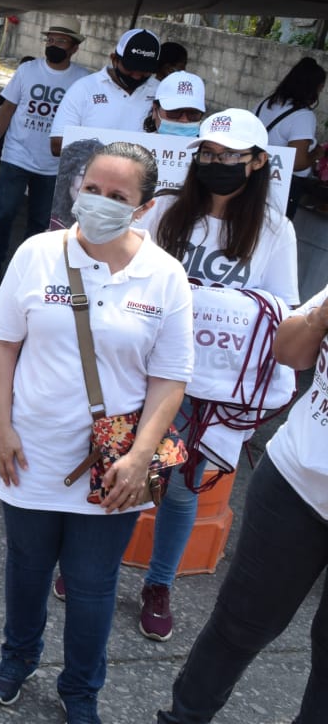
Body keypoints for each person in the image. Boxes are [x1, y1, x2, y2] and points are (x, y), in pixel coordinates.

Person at [0, 141, 192, 724]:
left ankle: (81, 691)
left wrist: (140, 457)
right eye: (92, 190)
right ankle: (17, 659)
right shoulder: (37, 253)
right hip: (28, 451)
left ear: (144, 208)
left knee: (92, 583)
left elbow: (170, 379)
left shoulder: (166, 277)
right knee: (26, 569)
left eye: (117, 196)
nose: (99, 203)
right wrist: (2, 427)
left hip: (114, 465)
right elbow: (1, 344)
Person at [126, 108, 298, 641]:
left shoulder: (275, 229)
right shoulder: (167, 211)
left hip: (211, 390)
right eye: (207, 153)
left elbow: (284, 308)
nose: (215, 163)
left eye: (229, 156)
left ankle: (159, 584)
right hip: (145, 371)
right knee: (127, 468)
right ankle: (93, 562)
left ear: (258, 162)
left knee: (180, 491)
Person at [154, 283, 328, 724]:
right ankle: (183, 717)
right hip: (296, 482)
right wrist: (320, 319)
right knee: (240, 623)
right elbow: (288, 352)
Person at [0, 19, 91, 283]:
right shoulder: (28, 70)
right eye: (50, 40)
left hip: (54, 163)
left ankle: (24, 269)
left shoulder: (82, 80)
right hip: (16, 154)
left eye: (61, 41)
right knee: (4, 213)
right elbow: (8, 107)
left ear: (74, 48)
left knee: (39, 220)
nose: (53, 45)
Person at [50, 28, 161, 155]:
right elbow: (57, 145)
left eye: (145, 71)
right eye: (130, 68)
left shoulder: (162, 93)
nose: (136, 76)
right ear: (114, 59)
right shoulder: (84, 88)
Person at [255, 56, 325, 218]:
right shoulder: (303, 116)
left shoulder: (265, 103)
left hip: (256, 174)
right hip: (283, 184)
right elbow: (297, 163)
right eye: (320, 89)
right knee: (273, 234)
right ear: (314, 88)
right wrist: (316, 153)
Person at [143, 70, 205, 136]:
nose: (184, 120)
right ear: (155, 110)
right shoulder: (136, 143)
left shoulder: (209, 145)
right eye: (175, 112)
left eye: (193, 114)